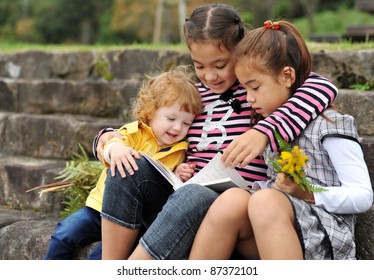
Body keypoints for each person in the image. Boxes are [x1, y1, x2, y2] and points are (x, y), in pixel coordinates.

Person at [96, 3, 339, 260]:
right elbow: (146, 123)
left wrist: (263, 132)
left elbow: (322, 87)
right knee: (126, 168)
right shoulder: (191, 95)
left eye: (221, 65)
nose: (210, 76)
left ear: (240, 52)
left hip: (228, 209)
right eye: (199, 66)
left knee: (195, 194)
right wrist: (108, 138)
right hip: (179, 199)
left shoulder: (255, 91)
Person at [188, 20, 373, 260]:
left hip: (325, 237)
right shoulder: (271, 126)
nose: (249, 99)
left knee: (264, 201)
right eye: (244, 89)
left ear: (287, 76)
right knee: (233, 199)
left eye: (255, 88)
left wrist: (308, 194)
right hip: (281, 228)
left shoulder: (331, 125)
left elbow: (363, 196)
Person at [44, 65, 202, 260]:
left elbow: (162, 188)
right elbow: (111, 145)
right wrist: (115, 149)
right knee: (64, 234)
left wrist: (178, 174)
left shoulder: (180, 150)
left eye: (187, 123)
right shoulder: (134, 132)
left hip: (134, 221)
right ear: (151, 111)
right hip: (98, 208)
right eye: (171, 118)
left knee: (101, 256)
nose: (178, 127)